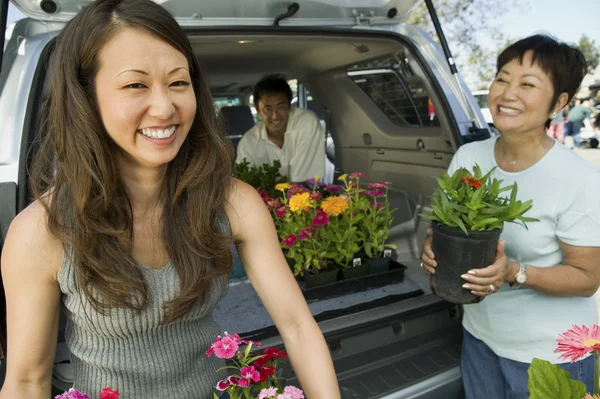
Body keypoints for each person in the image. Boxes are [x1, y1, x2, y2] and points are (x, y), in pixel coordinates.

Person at [0, 0, 341, 398]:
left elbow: (298, 326)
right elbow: (26, 382)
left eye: (179, 82)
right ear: (86, 98)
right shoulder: (41, 231)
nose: (165, 107)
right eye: (135, 85)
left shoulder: (234, 201)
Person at [420, 35, 600, 399]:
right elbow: (444, 226)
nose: (507, 93)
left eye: (528, 84)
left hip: (552, 355)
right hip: (482, 337)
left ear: (559, 102)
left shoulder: (578, 179)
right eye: (502, 78)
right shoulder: (469, 156)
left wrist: (513, 271)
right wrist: (432, 248)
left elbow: (587, 278)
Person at [235, 75, 326, 183]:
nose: (275, 116)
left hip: (304, 197)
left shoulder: (305, 123)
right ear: (258, 110)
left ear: (289, 106)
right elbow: (243, 184)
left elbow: (305, 181)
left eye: (280, 107)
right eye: (267, 109)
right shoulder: (248, 143)